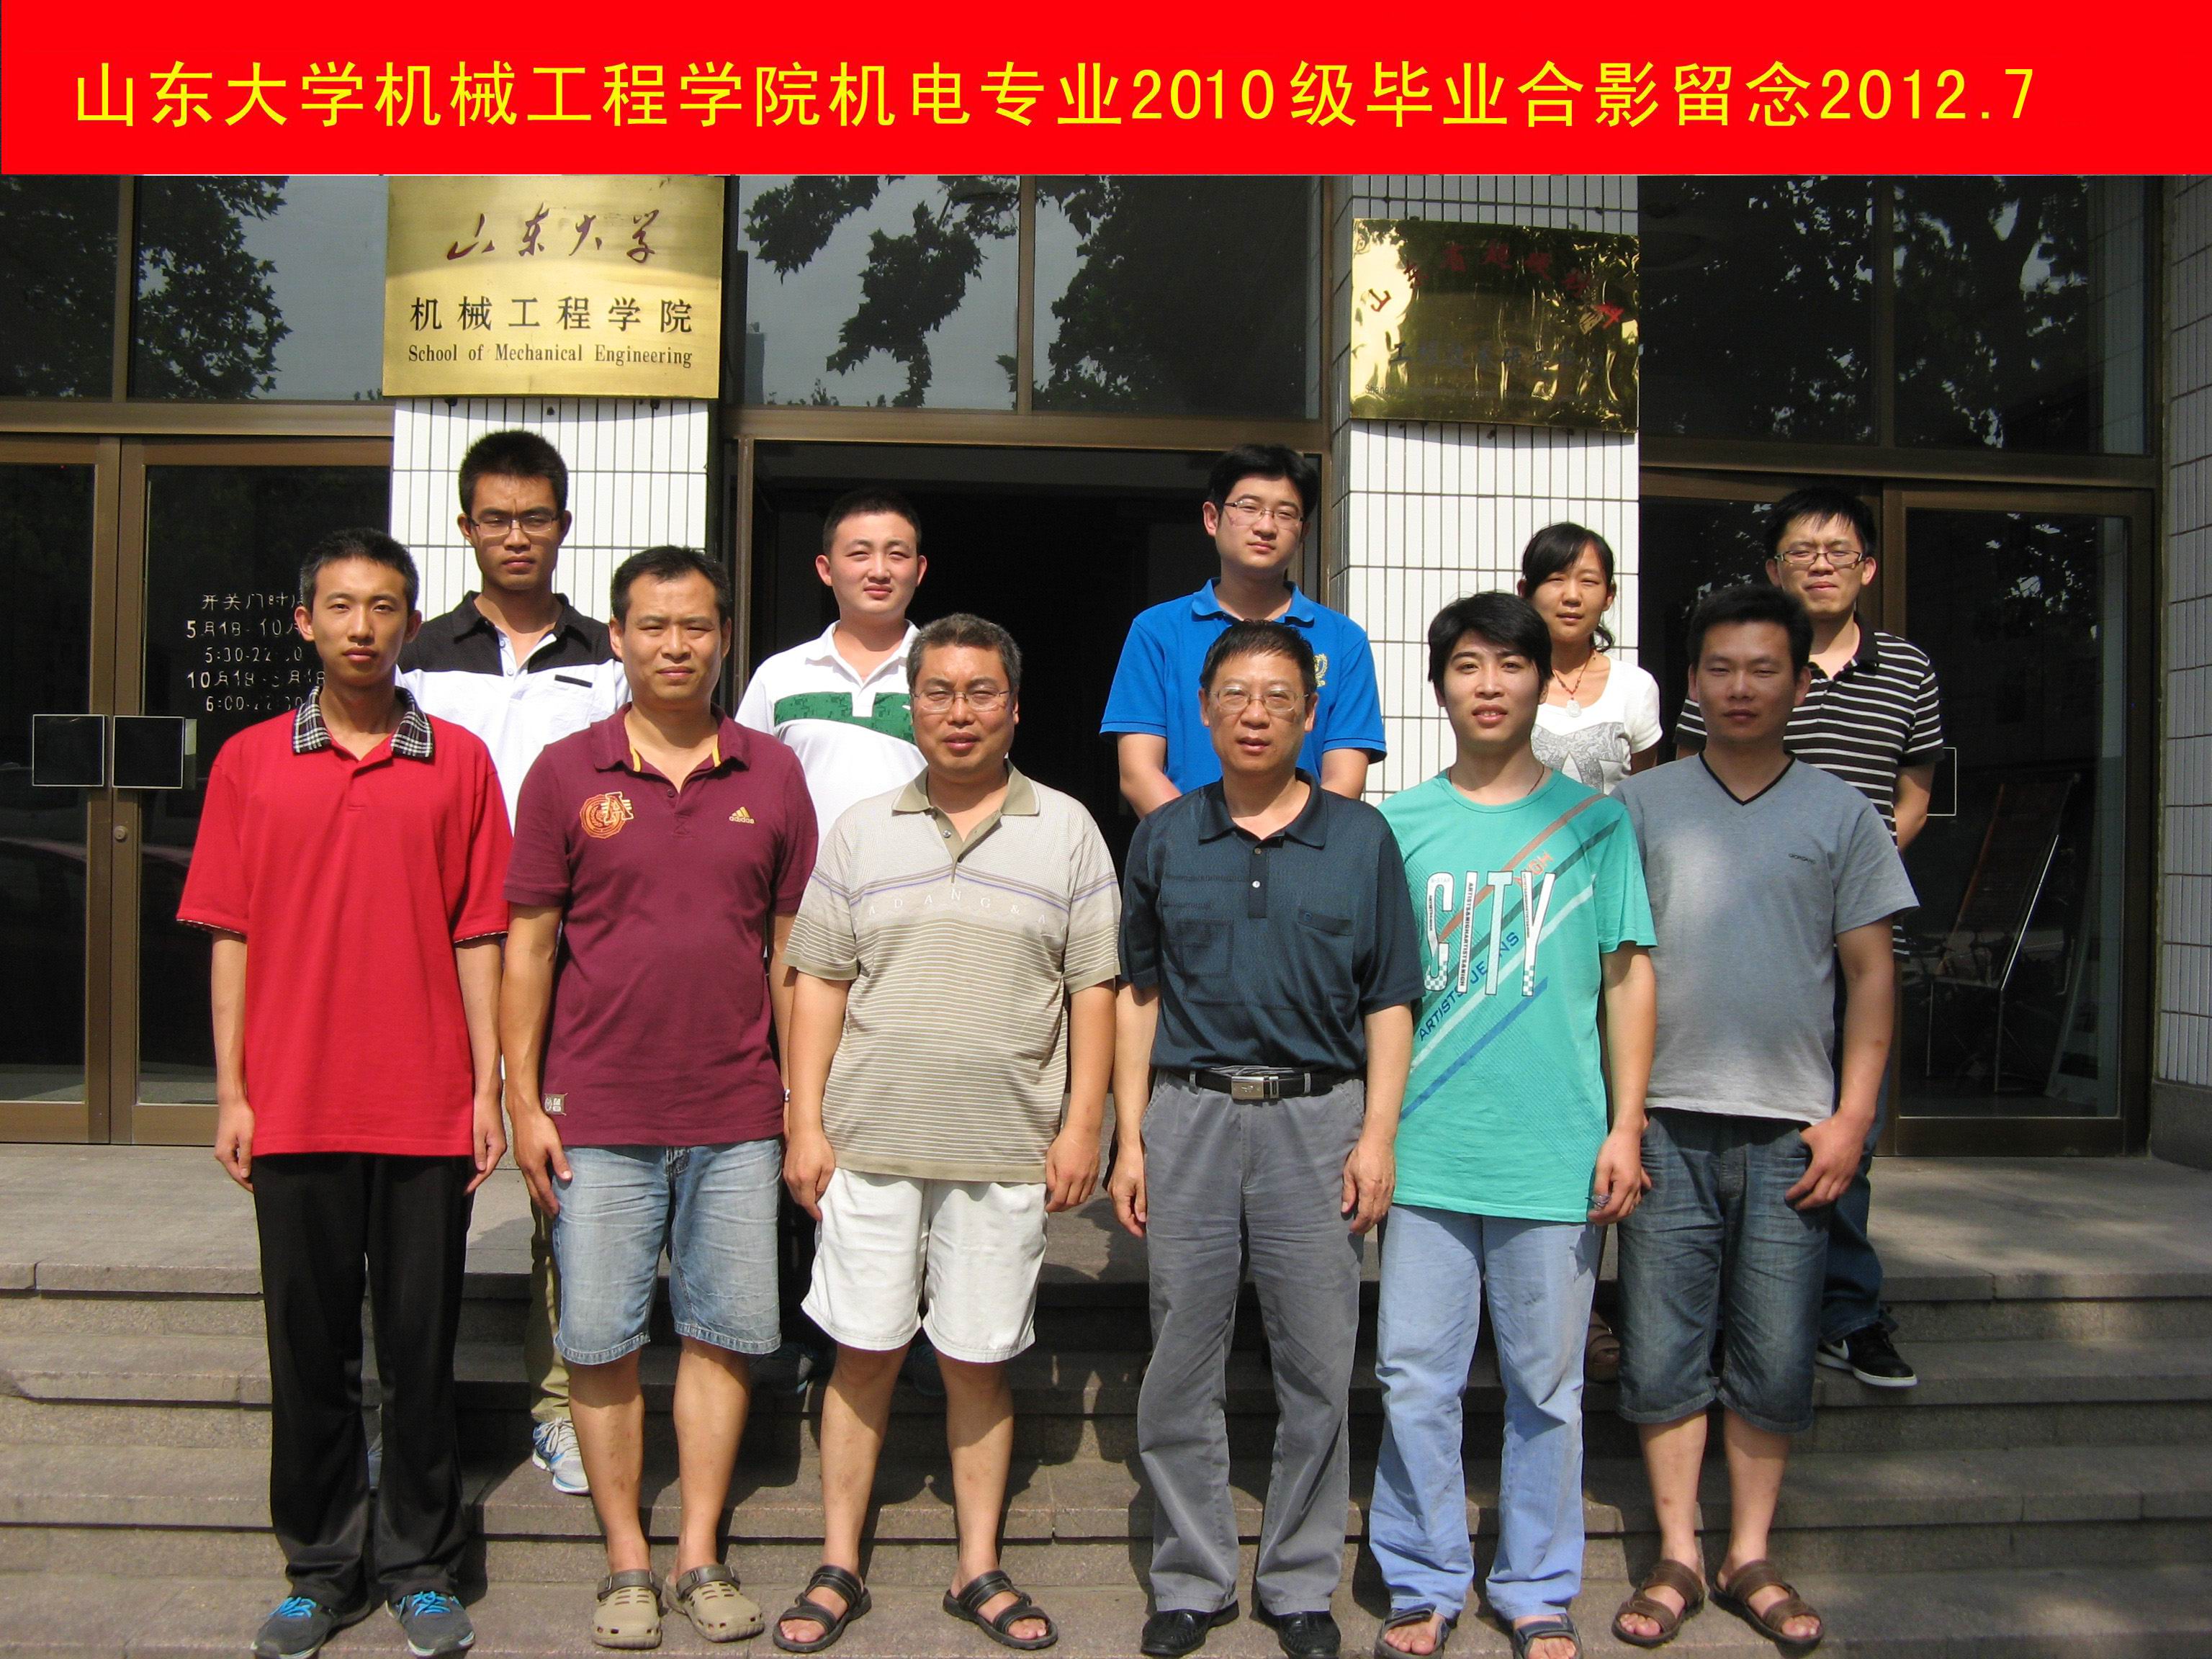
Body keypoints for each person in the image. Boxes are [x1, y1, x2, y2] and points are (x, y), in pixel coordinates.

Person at [183, 529, 510, 1659]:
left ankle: (419, 1563)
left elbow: (480, 934)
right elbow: (229, 935)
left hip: (424, 1103)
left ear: (411, 624)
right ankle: (321, 1568)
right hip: (296, 1103)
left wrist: (486, 1088)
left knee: (419, 1350)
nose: (362, 626)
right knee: (309, 1350)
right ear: (305, 622)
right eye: (340, 605)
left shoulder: (459, 761)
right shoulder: (249, 761)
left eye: (383, 607)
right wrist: (232, 1093)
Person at [773, 613, 1120, 1655]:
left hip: (1004, 1149)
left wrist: (1084, 1125)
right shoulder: (861, 829)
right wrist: (803, 1121)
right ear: (912, 706)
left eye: (981, 693)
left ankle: (979, 1566)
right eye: (938, 693)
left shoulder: (1068, 828)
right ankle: (839, 1562)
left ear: (1015, 707)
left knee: (977, 1360)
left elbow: (1094, 989)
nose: (959, 713)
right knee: (863, 1355)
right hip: (870, 1143)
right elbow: (818, 980)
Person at [500, 547, 816, 1650]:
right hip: (598, 1113)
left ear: (724, 637)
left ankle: (700, 1553)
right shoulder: (563, 773)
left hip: (736, 1111)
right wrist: (523, 1102)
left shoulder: (773, 773)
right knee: (598, 1343)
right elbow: (529, 947)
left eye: (695, 627)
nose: (674, 646)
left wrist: (801, 1101)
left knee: (725, 1336)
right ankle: (627, 1559)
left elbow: (792, 950)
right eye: (652, 626)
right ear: (618, 639)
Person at [1610, 585, 1915, 1653]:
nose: (1741, 688)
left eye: (1764, 669)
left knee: (1776, 1351)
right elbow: (1611, 970)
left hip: (1795, 1135)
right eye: (1721, 669)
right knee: (1661, 1348)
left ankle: (1749, 1554)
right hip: (1665, 1127)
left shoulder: (1844, 814)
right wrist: (1620, 1119)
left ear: (1798, 683)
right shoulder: (1639, 808)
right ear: (1692, 684)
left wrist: (1854, 1118)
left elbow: (1871, 976)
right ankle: (1676, 1555)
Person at [1111, 619, 1423, 1659]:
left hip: (1318, 1118)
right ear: (1204, 712)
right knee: (1180, 1356)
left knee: (1318, 1361)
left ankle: (1297, 1583)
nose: (1256, 714)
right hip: (1190, 1113)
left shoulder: (1360, 839)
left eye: (1279, 698)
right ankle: (1192, 1577)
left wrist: (1377, 1135)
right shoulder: (1165, 836)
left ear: (1311, 715)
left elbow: (1390, 999)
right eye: (1236, 696)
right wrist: (1130, 1137)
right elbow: (1139, 994)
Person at [1370, 594, 1656, 1659]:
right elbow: (1379, 998)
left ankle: (1536, 1585)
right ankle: (1423, 1578)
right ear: (1439, 686)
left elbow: (1628, 977)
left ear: (1545, 681)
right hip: (1428, 1149)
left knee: (1548, 1385)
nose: (1489, 685)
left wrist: (1626, 1125)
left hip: (1556, 1147)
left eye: (1511, 665)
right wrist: (1376, 1133)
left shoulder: (1597, 823)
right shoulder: (1397, 825)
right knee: (1415, 1377)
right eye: (1467, 666)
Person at [1673, 487, 1943, 1390]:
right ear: (1773, 568)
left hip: (1844, 928)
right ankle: (1728, 1316)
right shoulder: (1739, 665)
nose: (1820, 564)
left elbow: (1912, 792)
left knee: (1842, 1137)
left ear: (1869, 566)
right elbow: (1692, 785)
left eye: (1839, 551)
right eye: (1801, 550)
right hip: (1734, 934)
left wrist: (1848, 875)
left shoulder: (1907, 669)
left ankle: (1849, 1312)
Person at [398, 427, 610, 1498]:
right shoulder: (417, 659)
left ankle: (560, 1404)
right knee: (419, 1198)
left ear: (563, 526)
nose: (515, 536)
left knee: (557, 1184)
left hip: (565, 958)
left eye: (534, 518)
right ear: (466, 527)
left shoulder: (606, 659)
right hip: (435, 951)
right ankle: (409, 1413)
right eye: (495, 519)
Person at [735, 486, 935, 1399]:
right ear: (826, 568)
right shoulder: (781, 676)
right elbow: (740, 794)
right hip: (799, 936)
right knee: (804, 1110)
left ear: (920, 569)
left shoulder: (943, 667)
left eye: (896, 553)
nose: (877, 569)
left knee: (899, 1119)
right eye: (859, 553)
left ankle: (914, 1319)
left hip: (914, 938)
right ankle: (812, 1322)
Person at [1102, 445, 1384, 814]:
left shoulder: (1344, 640)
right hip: (1187, 844)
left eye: (1285, 514)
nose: (1266, 526)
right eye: (1248, 507)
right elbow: (1139, 773)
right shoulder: (1157, 631)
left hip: (1305, 848)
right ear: (1212, 518)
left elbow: (1345, 778)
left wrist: (1293, 843)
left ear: (1303, 532)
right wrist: (1200, 841)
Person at [1519, 523, 1663, 796]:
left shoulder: (1635, 686)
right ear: (1525, 591)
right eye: (1556, 579)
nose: (1572, 597)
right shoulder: (1504, 681)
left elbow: (1644, 793)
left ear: (1609, 595)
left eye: (1588, 581)